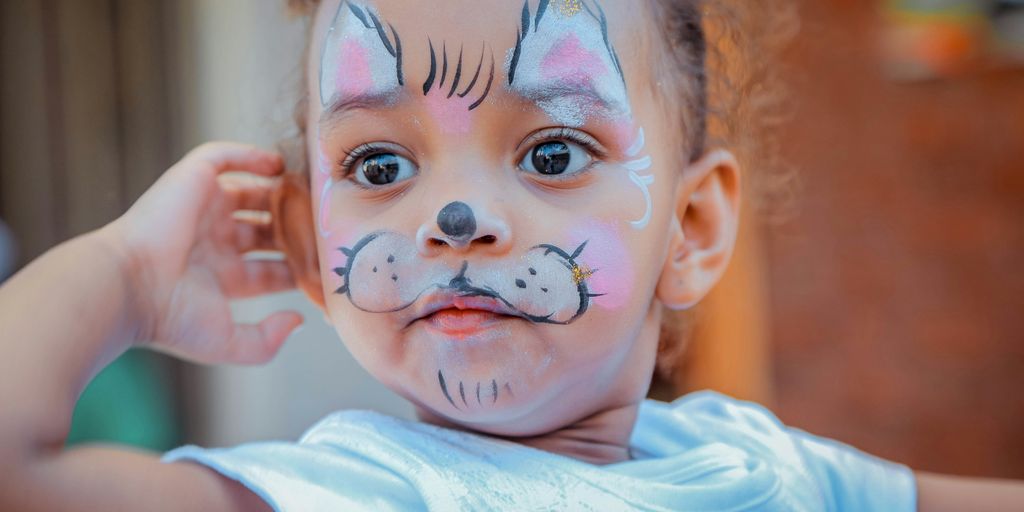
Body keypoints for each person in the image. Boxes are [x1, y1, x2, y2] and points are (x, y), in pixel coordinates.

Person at [1, 0, 1022, 510]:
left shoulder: (776, 466)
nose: (453, 217)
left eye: (551, 150)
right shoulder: (357, 491)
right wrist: (127, 273)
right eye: (378, 160)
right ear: (311, 242)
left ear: (693, 229)